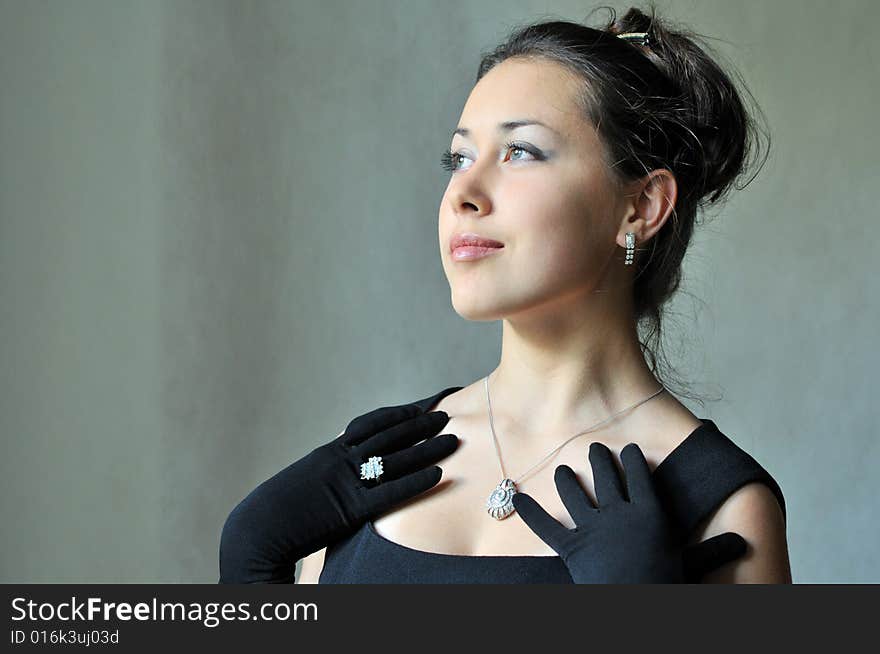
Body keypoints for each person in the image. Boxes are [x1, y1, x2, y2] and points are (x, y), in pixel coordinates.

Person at [221, 4, 791, 584]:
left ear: (641, 206)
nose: (462, 193)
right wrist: (249, 573)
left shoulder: (721, 506)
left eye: (520, 151)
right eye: (459, 158)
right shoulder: (378, 458)